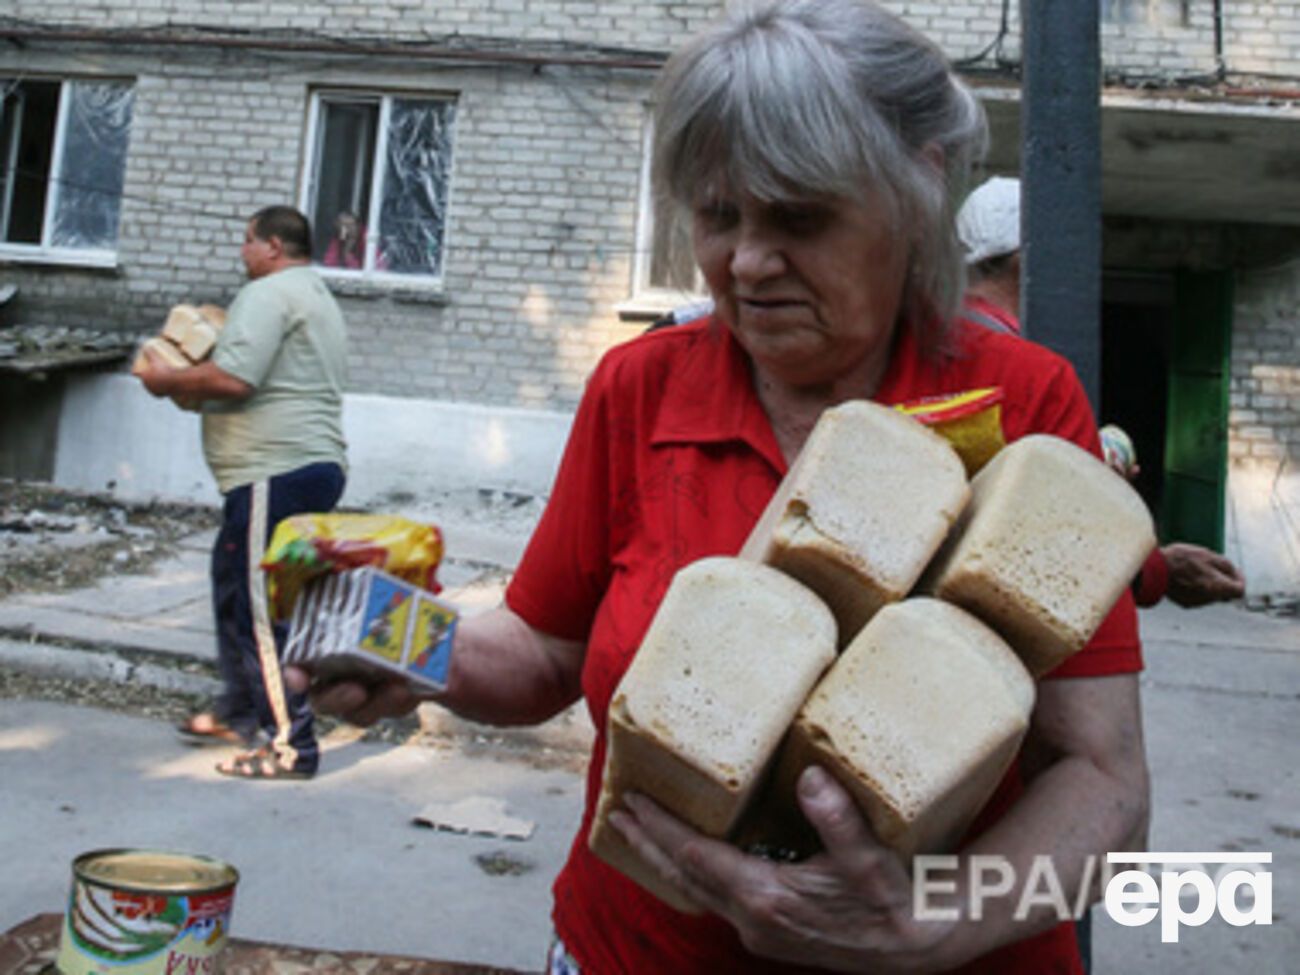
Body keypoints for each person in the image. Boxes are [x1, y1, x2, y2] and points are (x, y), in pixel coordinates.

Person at [291, 2, 1148, 970]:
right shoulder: (640, 388)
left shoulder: (1023, 401)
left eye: (800, 216)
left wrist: (933, 924)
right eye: (717, 213)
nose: (745, 261)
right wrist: (410, 645)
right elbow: (544, 650)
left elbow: (1105, 787)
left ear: (918, 186)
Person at [957, 175, 1246, 609]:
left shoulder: (928, 341)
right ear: (1024, 263)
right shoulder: (1028, 371)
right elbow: (1058, 527)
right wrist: (1158, 570)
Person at [135, 205, 349, 781]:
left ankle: (291, 747)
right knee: (232, 588)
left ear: (274, 247)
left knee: (259, 610)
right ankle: (238, 711)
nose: (242, 251)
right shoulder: (313, 293)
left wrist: (165, 381)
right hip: (305, 466)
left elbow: (235, 379)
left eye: (248, 241)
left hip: (274, 470)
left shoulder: (268, 294)